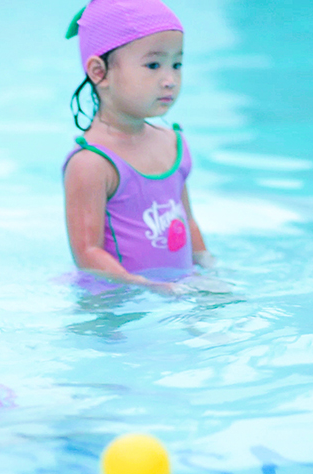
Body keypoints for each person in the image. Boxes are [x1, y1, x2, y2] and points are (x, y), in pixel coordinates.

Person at [62, 0, 215, 294]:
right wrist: (147, 287)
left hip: (174, 290)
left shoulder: (173, 142)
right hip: (114, 300)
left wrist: (207, 265)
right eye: (153, 65)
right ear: (99, 72)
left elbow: (186, 219)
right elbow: (87, 253)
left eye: (177, 65)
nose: (170, 80)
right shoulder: (91, 163)